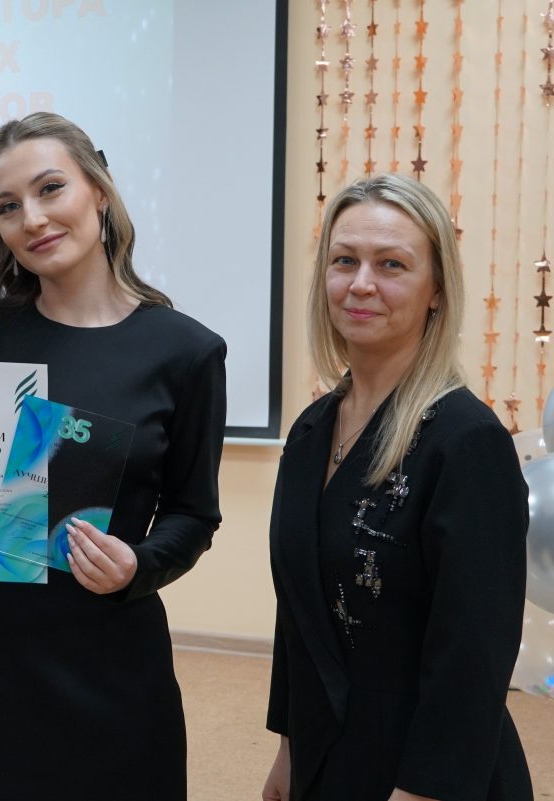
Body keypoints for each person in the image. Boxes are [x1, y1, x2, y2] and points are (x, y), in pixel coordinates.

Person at [0, 112, 226, 799]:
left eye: (50, 188)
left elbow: (193, 514)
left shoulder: (186, 351)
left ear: (100, 191)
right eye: (7, 206)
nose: (31, 218)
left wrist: (138, 564)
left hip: (113, 663)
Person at [261, 174, 532, 801]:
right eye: (344, 261)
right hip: (329, 751)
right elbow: (299, 615)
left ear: (436, 290)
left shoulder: (466, 441)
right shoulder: (311, 431)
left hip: (426, 769)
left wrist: (423, 791)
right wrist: (290, 745)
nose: (361, 283)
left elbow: (475, 653)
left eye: (392, 264)